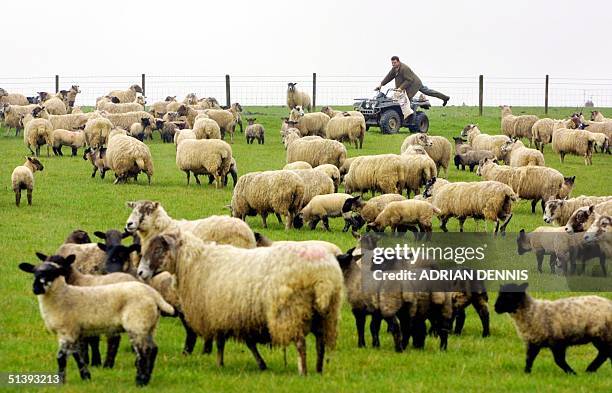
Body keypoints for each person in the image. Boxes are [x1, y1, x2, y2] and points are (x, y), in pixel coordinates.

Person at [376, 56, 450, 106]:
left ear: (398, 62)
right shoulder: (394, 69)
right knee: (403, 98)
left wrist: (400, 88)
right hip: (408, 84)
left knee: (408, 98)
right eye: (392, 63)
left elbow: (409, 80)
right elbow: (389, 77)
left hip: (414, 84)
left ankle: (445, 98)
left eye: (394, 63)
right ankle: (445, 98)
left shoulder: (404, 68)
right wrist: (381, 84)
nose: (393, 64)